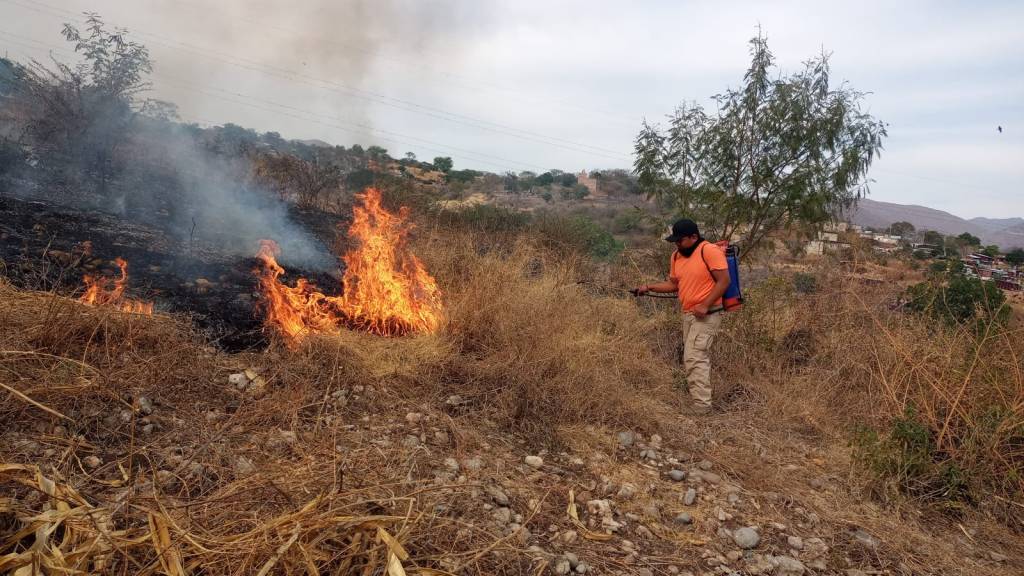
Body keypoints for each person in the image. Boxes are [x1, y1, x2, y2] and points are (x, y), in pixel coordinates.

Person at [635, 219, 730, 414]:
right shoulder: (676, 256)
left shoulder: (708, 251)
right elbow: (674, 285)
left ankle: (702, 406)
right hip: (688, 314)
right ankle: (700, 400)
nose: (677, 244)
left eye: (681, 240)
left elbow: (724, 281)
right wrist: (649, 287)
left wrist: (704, 305)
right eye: (675, 241)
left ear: (694, 237)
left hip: (708, 314)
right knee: (693, 356)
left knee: (694, 356)